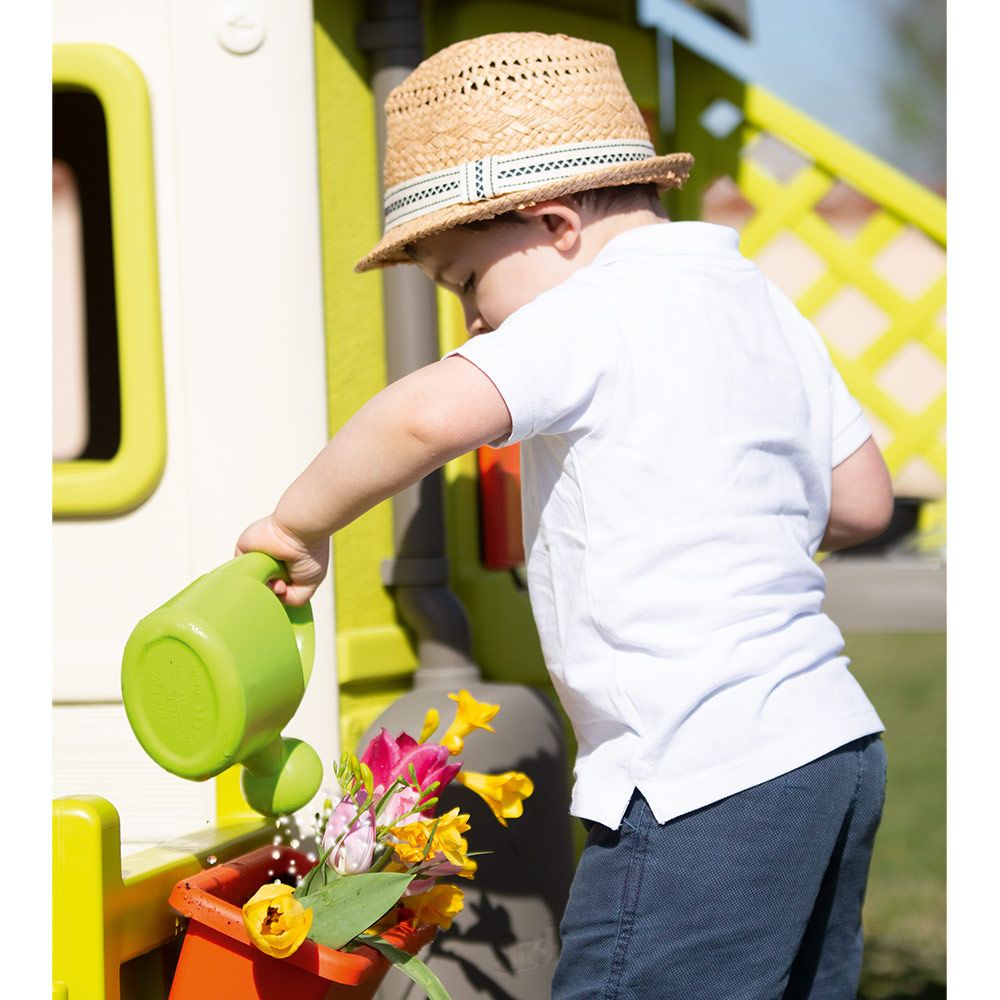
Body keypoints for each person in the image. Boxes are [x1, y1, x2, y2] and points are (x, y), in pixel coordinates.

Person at [236, 32, 893, 1000]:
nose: (469, 321)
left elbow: (422, 415)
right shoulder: (761, 300)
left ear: (553, 225)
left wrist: (298, 525)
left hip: (697, 770)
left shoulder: (587, 311)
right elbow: (862, 498)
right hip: (830, 747)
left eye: (465, 281)